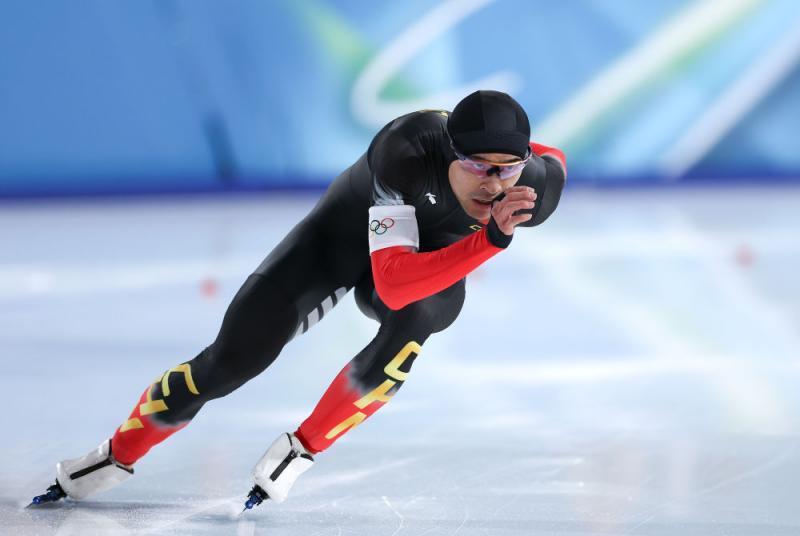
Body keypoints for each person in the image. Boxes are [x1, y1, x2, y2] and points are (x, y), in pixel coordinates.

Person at [31, 90, 566, 509]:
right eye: (477, 165)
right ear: (449, 151)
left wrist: (513, 184)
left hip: (429, 264)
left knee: (423, 315)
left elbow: (553, 156)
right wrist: (490, 240)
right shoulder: (405, 147)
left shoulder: (533, 188)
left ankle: (303, 447)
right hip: (337, 244)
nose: (493, 185)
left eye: (507, 167)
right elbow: (392, 280)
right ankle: (115, 455)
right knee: (230, 362)